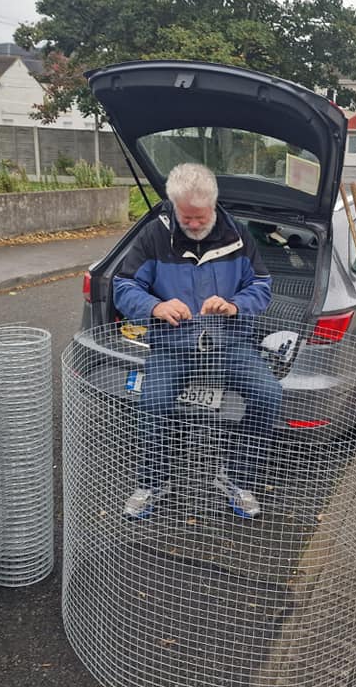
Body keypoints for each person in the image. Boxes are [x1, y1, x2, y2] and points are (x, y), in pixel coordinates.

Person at [113, 162, 282, 520]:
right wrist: (155, 306)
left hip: (229, 342)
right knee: (153, 403)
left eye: (199, 217)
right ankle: (153, 482)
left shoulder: (238, 236)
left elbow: (261, 286)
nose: (192, 224)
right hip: (173, 345)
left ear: (213, 204)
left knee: (268, 394)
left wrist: (234, 306)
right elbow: (124, 286)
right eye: (185, 217)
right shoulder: (154, 236)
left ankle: (236, 477)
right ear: (174, 206)